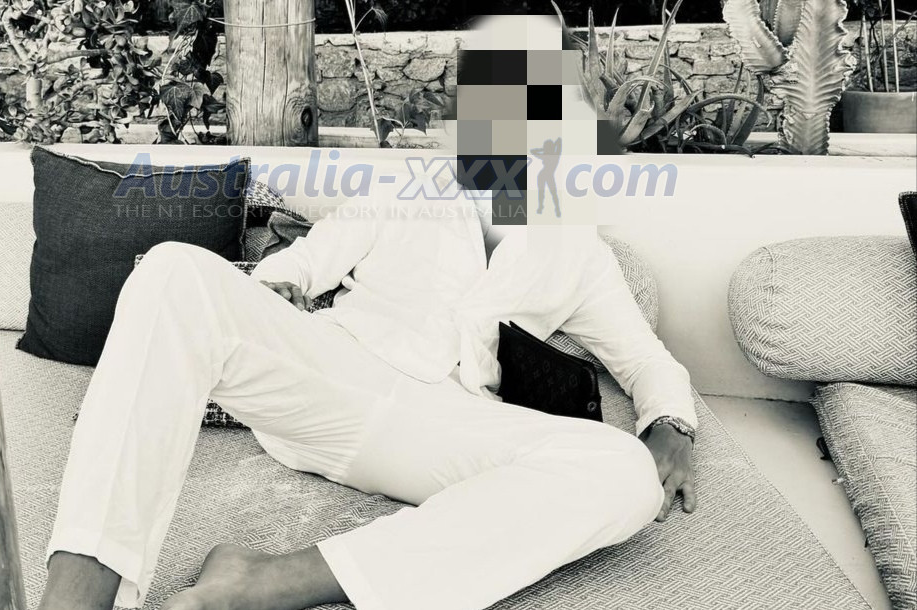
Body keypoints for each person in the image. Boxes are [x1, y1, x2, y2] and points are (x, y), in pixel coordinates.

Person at [38, 184, 697, 610]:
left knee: (624, 471)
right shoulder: (403, 194)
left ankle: (264, 583)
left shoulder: (576, 250)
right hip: (332, 377)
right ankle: (80, 593)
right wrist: (276, 286)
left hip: (446, 425)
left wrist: (671, 421)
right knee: (174, 270)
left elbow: (644, 359)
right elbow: (301, 264)